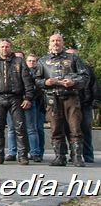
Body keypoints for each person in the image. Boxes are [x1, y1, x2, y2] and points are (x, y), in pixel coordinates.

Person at [34, 33, 88, 167]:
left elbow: (85, 76)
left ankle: (77, 157)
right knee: (55, 128)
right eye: (53, 41)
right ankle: (60, 157)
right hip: (52, 99)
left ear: (62, 43)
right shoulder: (42, 61)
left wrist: (73, 82)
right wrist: (46, 82)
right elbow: (36, 80)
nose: (55, 43)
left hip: (71, 97)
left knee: (75, 127)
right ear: (49, 44)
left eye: (58, 40)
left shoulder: (73, 58)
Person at [0, 39, 35, 165]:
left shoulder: (19, 61)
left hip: (16, 98)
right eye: (2, 47)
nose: (5, 49)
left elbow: (27, 80)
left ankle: (23, 156)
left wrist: (28, 98)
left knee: (20, 127)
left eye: (7, 46)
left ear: (11, 48)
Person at [66, 48, 96, 164]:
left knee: (85, 129)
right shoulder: (62, 70)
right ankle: (74, 154)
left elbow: (94, 85)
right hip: (69, 103)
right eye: (68, 55)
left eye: (73, 55)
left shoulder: (86, 69)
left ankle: (88, 155)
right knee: (71, 130)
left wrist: (95, 100)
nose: (71, 57)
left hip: (85, 104)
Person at [24, 54, 45, 162]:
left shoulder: (41, 72)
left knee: (38, 128)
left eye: (33, 61)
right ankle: (32, 151)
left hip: (39, 103)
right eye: (29, 61)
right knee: (30, 128)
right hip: (28, 102)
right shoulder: (23, 72)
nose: (31, 62)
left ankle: (38, 152)